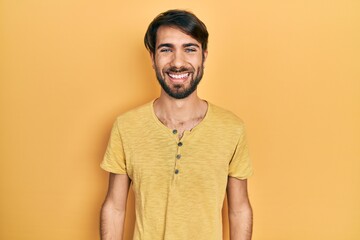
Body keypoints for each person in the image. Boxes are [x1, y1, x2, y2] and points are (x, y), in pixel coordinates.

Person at [100, 9, 253, 240]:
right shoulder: (126, 127)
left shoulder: (232, 128)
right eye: (166, 49)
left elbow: (239, 209)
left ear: (204, 56)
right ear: (152, 58)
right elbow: (115, 207)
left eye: (190, 49)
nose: (178, 62)